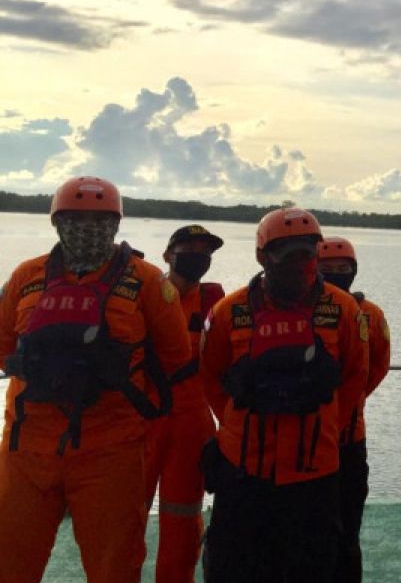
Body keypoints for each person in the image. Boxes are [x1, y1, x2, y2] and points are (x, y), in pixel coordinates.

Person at [0, 176, 190, 583]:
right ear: (57, 222)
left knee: (114, 568)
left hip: (110, 453)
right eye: (76, 218)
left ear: (116, 224)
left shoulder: (148, 282)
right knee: (10, 562)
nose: (87, 228)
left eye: (99, 220)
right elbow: (3, 349)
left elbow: (175, 359)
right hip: (26, 450)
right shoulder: (25, 277)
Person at [199, 207, 368, 583]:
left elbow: (356, 376)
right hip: (244, 470)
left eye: (307, 255)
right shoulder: (229, 311)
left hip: (316, 471)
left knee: (313, 566)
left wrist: (327, 426)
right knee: (233, 566)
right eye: (288, 257)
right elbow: (210, 376)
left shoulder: (342, 310)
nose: (299, 266)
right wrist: (234, 429)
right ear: (263, 257)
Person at [144, 224, 226, 583]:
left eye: (204, 250)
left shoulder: (216, 303)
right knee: (124, 518)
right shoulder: (142, 295)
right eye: (188, 248)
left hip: (193, 421)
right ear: (167, 255)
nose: (198, 256)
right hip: (141, 419)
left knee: (183, 519)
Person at [316, 236, 391, 583]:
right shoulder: (302, 309)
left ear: (354, 271)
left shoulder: (371, 315)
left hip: (349, 440)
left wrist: (350, 400)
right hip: (307, 442)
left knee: (347, 531)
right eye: (326, 269)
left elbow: (376, 368)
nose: (335, 275)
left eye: (342, 269)